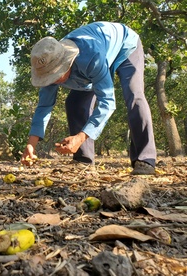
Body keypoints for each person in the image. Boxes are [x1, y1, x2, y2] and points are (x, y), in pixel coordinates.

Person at [20, 21, 156, 175]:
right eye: (50, 76)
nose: (54, 79)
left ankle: (145, 159)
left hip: (125, 46)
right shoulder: (48, 65)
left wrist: (80, 137)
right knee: (75, 103)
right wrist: (31, 145)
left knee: (134, 95)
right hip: (92, 66)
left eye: (56, 74)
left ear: (66, 62)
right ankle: (83, 160)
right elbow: (44, 107)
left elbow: (107, 103)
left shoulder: (91, 57)